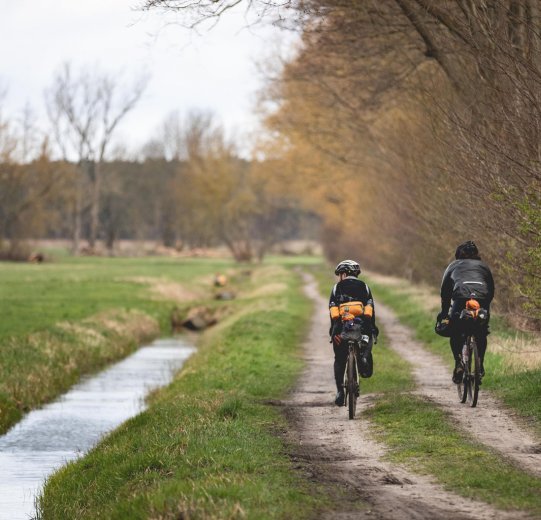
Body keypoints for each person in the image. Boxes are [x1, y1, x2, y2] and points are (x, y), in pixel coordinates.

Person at [436, 241, 495, 384]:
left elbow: (445, 293)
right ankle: (479, 366)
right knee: (481, 332)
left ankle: (458, 364)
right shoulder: (484, 267)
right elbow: (491, 290)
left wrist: (444, 313)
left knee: (455, 331)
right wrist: (485, 304)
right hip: (482, 299)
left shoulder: (453, 266)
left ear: (458, 254)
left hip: (461, 298)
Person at [329, 259, 379, 406]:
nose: (340, 277)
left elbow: (332, 314)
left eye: (340, 274)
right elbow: (371, 312)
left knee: (339, 359)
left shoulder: (336, 288)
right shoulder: (365, 287)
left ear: (344, 273)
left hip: (342, 331)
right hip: (362, 329)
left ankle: (339, 391)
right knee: (365, 344)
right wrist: (373, 329)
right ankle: (363, 357)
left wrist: (333, 332)